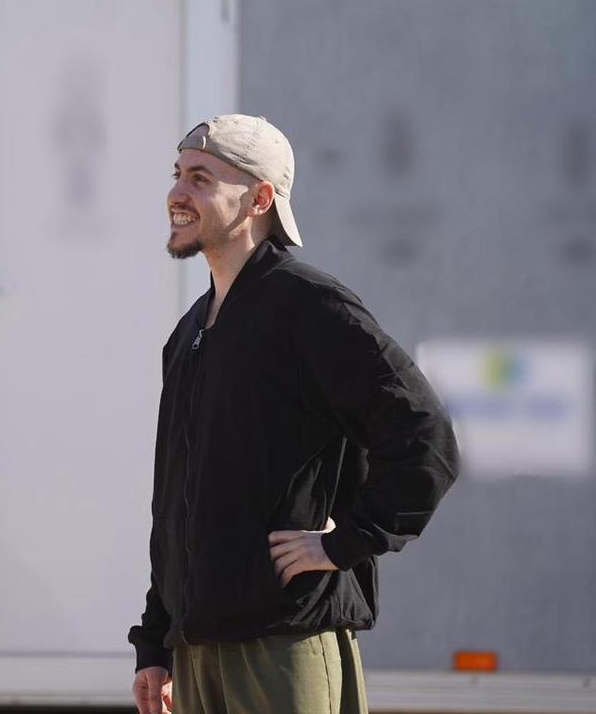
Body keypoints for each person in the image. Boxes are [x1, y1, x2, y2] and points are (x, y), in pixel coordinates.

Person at [128, 115, 459, 714]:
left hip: (283, 647)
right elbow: (175, 501)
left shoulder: (309, 307)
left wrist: (347, 542)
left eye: (200, 178)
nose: (177, 193)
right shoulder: (188, 335)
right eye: (177, 175)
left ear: (258, 199)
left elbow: (425, 438)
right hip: (198, 652)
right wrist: (157, 640)